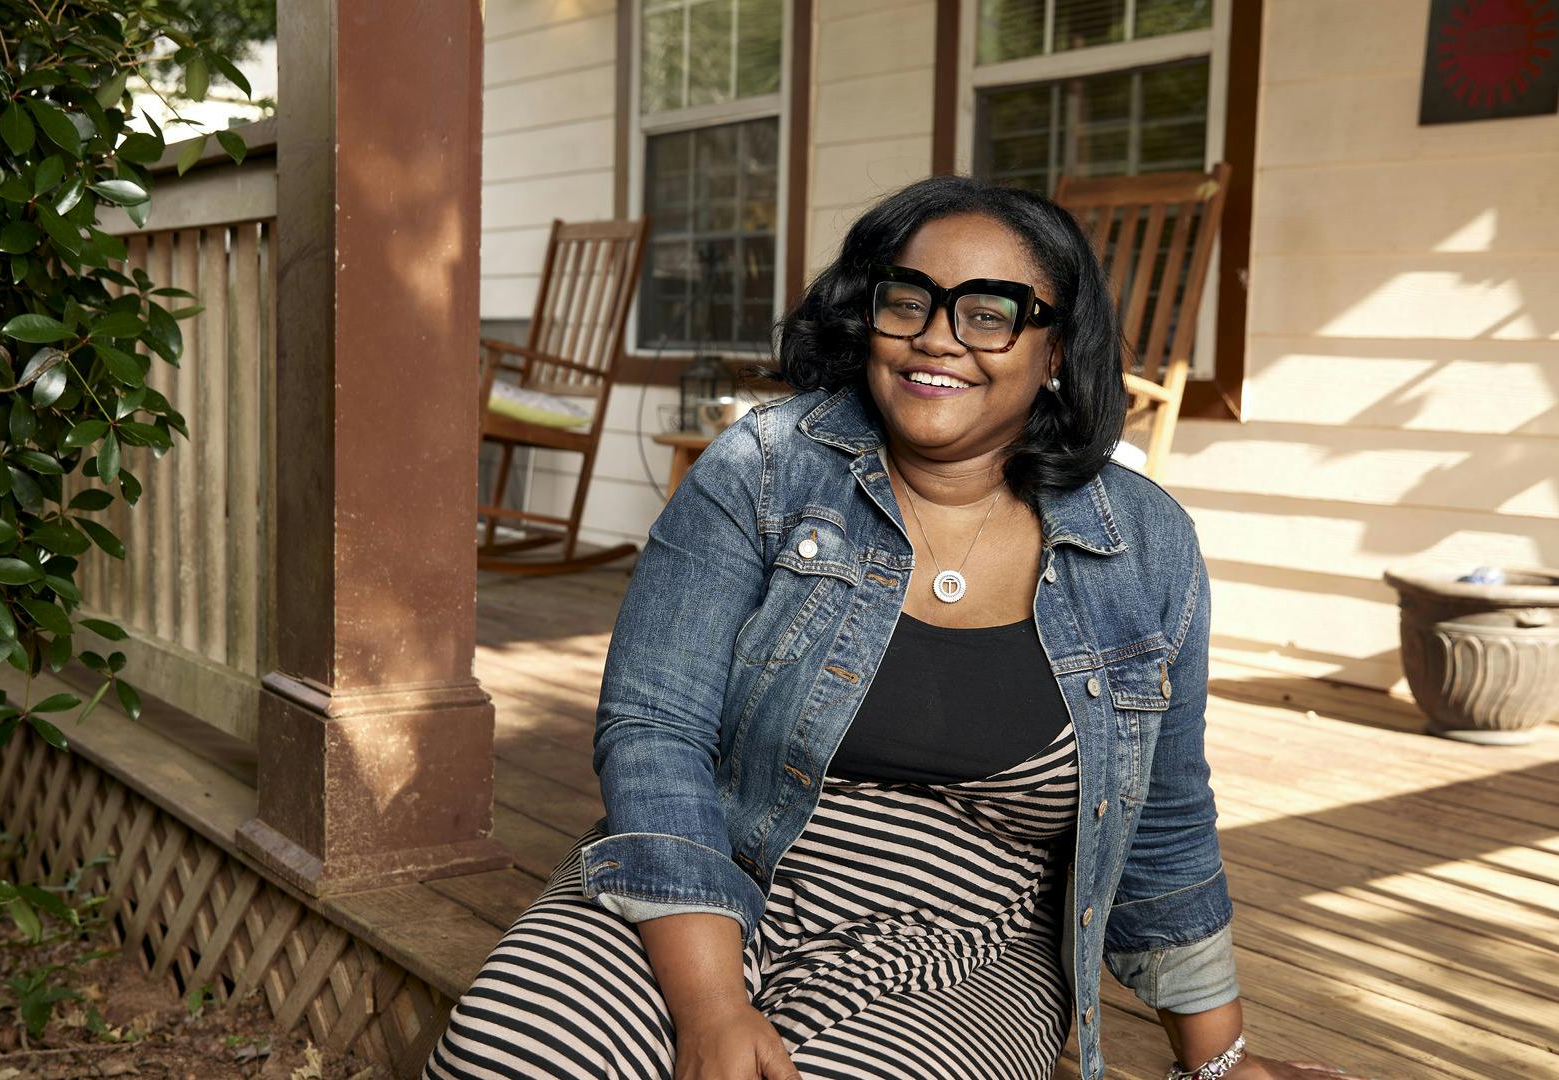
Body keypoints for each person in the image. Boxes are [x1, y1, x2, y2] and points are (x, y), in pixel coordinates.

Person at [424, 176, 1368, 1080]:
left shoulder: (1143, 547)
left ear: (1054, 353)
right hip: (712, 866)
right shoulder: (765, 468)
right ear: (865, 317)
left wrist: (1219, 1062)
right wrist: (711, 1003)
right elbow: (653, 728)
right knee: (511, 1053)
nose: (938, 339)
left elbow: (1164, 815)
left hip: (964, 940)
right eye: (907, 301)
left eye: (990, 312)